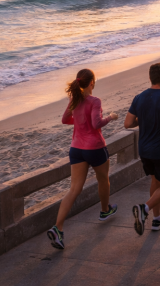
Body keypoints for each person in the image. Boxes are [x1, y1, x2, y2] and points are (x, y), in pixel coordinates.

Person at [47, 69, 118, 250]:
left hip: (76, 149)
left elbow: (65, 119)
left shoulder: (75, 100)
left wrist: (79, 122)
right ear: (92, 82)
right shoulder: (95, 101)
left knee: (74, 189)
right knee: (104, 180)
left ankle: (58, 227)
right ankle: (104, 210)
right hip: (95, 148)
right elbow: (96, 123)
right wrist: (110, 117)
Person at [125, 63, 160, 235]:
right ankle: (145, 208)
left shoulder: (139, 98)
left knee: (155, 181)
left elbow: (128, 123)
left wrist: (143, 121)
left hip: (144, 150)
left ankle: (157, 219)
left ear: (151, 78)